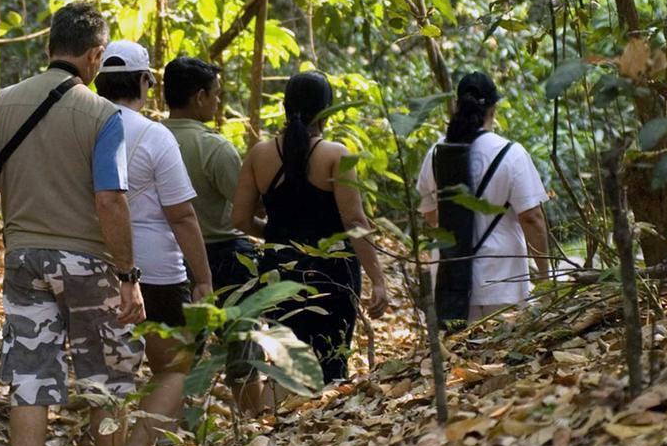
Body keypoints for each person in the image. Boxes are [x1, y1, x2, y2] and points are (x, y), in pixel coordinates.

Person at [0, 2, 144, 446]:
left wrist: (23, 181)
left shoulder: (3, 104)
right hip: (86, 261)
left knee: (30, 375)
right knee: (105, 375)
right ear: (95, 55)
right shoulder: (102, 114)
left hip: (23, 258)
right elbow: (111, 200)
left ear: (48, 49)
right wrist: (129, 277)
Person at [232, 70, 389, 396]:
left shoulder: (260, 155)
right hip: (332, 271)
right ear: (326, 110)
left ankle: (277, 436)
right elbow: (354, 221)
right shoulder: (336, 155)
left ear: (287, 107)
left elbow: (241, 219)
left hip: (278, 270)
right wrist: (379, 279)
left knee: (286, 363)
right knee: (330, 361)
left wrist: (277, 238)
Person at [94, 41, 212, 446]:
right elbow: (181, 215)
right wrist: (203, 278)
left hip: (98, 262)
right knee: (175, 368)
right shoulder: (154, 135)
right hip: (156, 270)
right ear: (145, 83)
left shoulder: (82, 126)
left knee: (109, 373)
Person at [162, 56, 263, 411]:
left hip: (167, 259)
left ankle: (169, 430)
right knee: (242, 348)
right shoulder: (214, 147)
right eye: (216, 95)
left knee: (180, 354)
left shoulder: (148, 139)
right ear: (200, 97)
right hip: (224, 257)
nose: (219, 102)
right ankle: (253, 424)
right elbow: (246, 209)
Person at [416, 71, 549, 321]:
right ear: (493, 109)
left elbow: (432, 217)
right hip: (502, 283)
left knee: (456, 358)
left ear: (457, 106)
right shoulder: (512, 154)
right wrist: (545, 277)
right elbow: (532, 217)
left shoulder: (437, 153)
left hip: (450, 281)